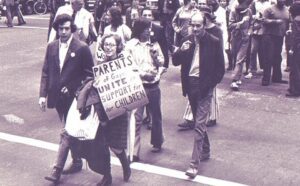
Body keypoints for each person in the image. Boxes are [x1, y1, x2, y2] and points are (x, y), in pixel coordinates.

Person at [39, 14, 94, 183]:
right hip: (57, 98)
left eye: (67, 29)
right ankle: (77, 161)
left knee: (66, 133)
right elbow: (46, 72)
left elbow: (90, 75)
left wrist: (72, 88)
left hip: (75, 99)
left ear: (72, 29)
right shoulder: (52, 47)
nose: (63, 32)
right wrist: (42, 95)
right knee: (70, 132)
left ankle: (57, 170)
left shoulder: (82, 48)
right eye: (60, 29)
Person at [172, 12, 225, 178]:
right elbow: (175, 61)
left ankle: (194, 165)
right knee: (197, 121)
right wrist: (181, 50)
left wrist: (210, 85)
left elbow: (220, 69)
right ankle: (206, 149)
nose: (194, 29)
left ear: (204, 25)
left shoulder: (213, 42)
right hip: (190, 86)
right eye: (192, 25)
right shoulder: (186, 40)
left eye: (198, 25)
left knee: (199, 125)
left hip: (204, 87)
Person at [125, 18, 165, 161]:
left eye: (150, 28)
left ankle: (157, 141)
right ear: (139, 29)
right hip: (138, 86)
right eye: (147, 28)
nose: (150, 31)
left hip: (153, 85)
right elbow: (127, 66)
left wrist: (156, 59)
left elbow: (162, 61)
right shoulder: (130, 46)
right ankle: (134, 150)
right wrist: (143, 75)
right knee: (136, 119)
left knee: (156, 115)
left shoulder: (154, 44)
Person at [94, 34, 132, 185]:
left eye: (112, 45)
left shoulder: (123, 63)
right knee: (103, 145)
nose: (108, 48)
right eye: (106, 45)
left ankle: (125, 164)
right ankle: (106, 176)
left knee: (116, 146)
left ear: (118, 47)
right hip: (103, 109)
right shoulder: (100, 64)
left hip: (119, 110)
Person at [261, 0, 290, 86]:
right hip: (269, 36)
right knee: (268, 57)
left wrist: (287, 31)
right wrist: (275, 21)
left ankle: (277, 78)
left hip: (280, 36)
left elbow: (288, 22)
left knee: (277, 57)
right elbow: (263, 20)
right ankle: (265, 79)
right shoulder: (269, 9)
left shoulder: (287, 10)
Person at [228, 0, 252, 91]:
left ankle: (233, 81)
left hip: (245, 38)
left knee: (239, 59)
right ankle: (238, 77)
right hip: (235, 37)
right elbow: (230, 26)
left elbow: (251, 24)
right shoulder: (233, 11)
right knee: (236, 58)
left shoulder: (249, 11)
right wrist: (241, 22)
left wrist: (249, 32)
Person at [245, 0, 271, 79]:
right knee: (253, 50)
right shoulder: (254, 3)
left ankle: (265, 69)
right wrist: (256, 17)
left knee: (265, 51)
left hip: (266, 29)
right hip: (256, 29)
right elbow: (250, 14)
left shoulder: (270, 3)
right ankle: (252, 70)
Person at [286, 1, 300, 97]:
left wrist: (291, 48)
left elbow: (296, 36)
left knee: (294, 69)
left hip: (297, 47)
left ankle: (294, 90)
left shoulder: (295, 21)